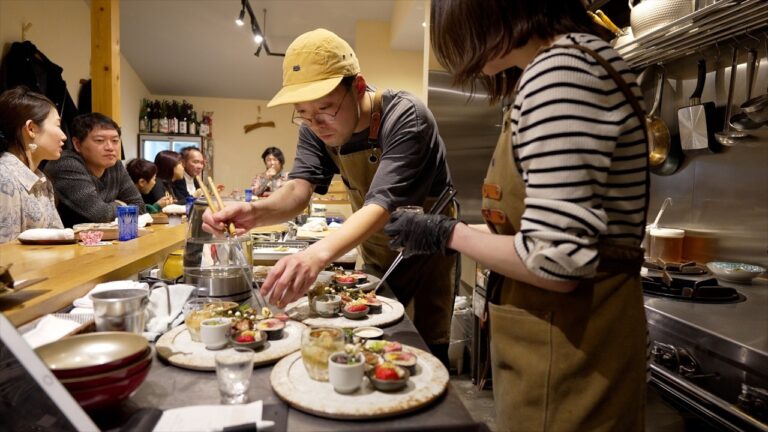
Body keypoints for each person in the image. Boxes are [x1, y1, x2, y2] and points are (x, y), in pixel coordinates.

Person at [384, 2, 650, 431]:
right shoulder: (569, 64)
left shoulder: (563, 73)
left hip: (569, 352)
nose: (464, 55)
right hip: (558, 343)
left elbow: (556, 260)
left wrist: (447, 233)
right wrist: (446, 230)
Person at [204, 28, 457, 364]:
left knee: (422, 351)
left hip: (427, 256)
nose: (316, 123)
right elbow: (297, 190)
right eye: (304, 113)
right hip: (378, 249)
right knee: (371, 343)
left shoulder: (406, 117)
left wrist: (316, 255)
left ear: (359, 87)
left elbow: (382, 204)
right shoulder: (315, 127)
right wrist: (254, 212)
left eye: (325, 109)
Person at [44, 113, 145, 227]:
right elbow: (99, 214)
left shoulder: (115, 165)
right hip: (67, 241)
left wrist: (110, 208)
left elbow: (140, 207)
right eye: (100, 140)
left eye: (115, 141)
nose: (110, 147)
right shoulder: (66, 164)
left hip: (103, 240)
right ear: (77, 144)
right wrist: (122, 205)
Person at [0, 87, 67, 243]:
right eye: (57, 125)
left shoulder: (42, 180)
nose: (64, 136)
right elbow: (5, 255)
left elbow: (59, 239)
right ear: (31, 129)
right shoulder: (4, 178)